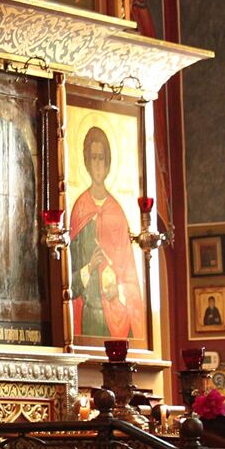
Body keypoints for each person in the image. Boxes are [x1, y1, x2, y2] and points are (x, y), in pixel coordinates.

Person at [69, 127, 144, 339]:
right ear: (86, 162)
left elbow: (130, 273)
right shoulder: (80, 210)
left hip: (118, 314)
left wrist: (119, 289)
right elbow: (68, 279)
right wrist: (90, 266)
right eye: (93, 158)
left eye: (101, 158)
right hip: (90, 316)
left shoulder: (117, 212)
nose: (98, 165)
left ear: (108, 162)